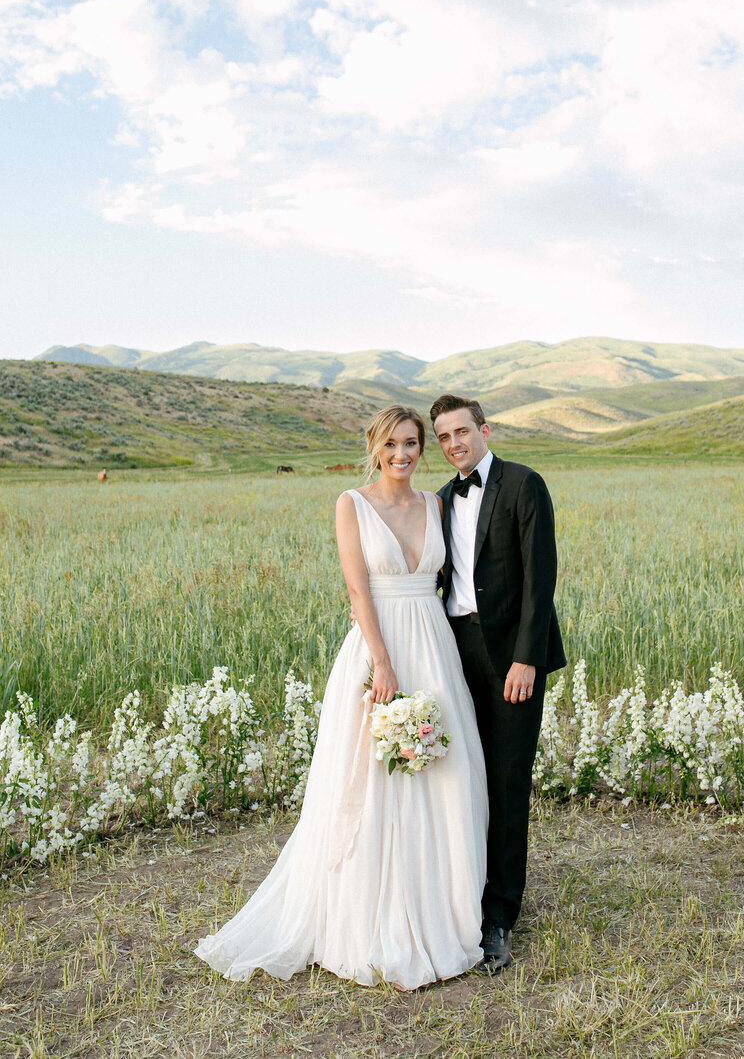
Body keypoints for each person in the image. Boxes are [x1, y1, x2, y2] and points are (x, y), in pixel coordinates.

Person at [195, 405, 488, 990]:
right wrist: (381, 663)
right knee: (371, 781)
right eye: (392, 445)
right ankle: (366, 917)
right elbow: (358, 589)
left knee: (445, 775)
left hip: (433, 646)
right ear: (375, 448)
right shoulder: (351, 504)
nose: (402, 455)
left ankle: (443, 908)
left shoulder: (435, 505)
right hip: (378, 648)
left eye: (412, 444)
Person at [430, 393, 566, 974]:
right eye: (444, 437)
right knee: (464, 778)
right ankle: (463, 895)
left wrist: (526, 658)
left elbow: (541, 575)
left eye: (462, 432)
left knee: (508, 780)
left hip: (512, 656)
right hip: (455, 652)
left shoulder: (523, 485)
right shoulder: (437, 501)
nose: (455, 444)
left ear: (484, 430)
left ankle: (502, 913)